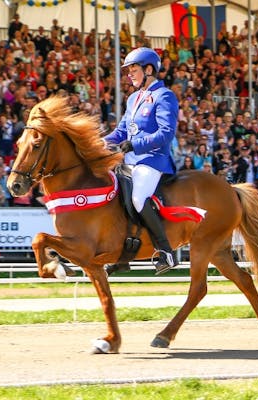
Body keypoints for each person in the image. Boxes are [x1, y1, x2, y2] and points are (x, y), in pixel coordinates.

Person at [104, 47, 179, 275]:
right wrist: (99, 143)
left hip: (153, 160)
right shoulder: (134, 98)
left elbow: (166, 133)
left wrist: (136, 144)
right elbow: (121, 131)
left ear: (149, 69)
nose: (129, 74)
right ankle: (123, 254)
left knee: (137, 198)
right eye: (128, 71)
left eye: (133, 69)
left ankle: (166, 251)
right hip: (130, 160)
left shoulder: (164, 96)